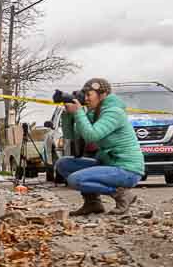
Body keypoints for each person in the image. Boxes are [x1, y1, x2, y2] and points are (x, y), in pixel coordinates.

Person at [54, 77, 144, 215]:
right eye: (85, 95)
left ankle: (121, 194)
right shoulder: (94, 112)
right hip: (109, 164)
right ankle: (93, 204)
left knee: (75, 179)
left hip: (127, 170)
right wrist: (68, 115)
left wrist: (78, 112)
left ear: (102, 95)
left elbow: (92, 136)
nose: (86, 99)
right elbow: (71, 136)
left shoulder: (114, 112)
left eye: (89, 95)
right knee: (63, 164)